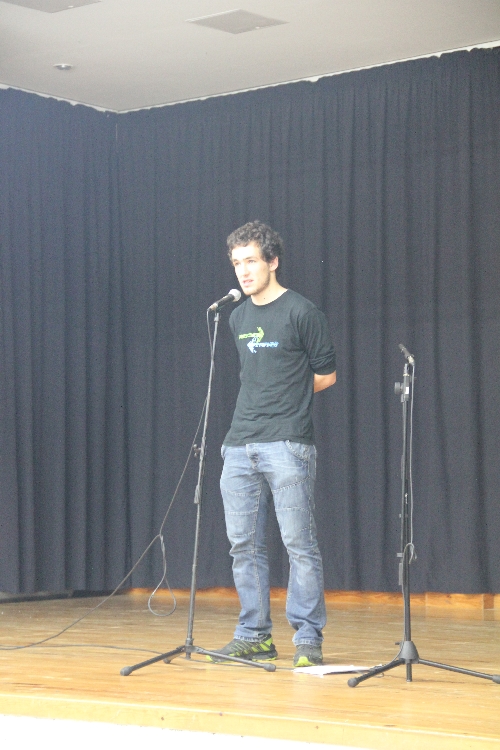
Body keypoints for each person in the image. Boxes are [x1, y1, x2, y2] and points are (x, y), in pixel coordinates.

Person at [210, 221, 336, 667]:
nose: (243, 271)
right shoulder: (237, 317)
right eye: (236, 263)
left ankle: (308, 638)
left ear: (273, 261)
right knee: (243, 545)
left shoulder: (303, 312)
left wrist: (288, 398)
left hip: (287, 443)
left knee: (298, 543)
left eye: (251, 261)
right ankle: (253, 635)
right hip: (239, 443)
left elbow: (326, 375)